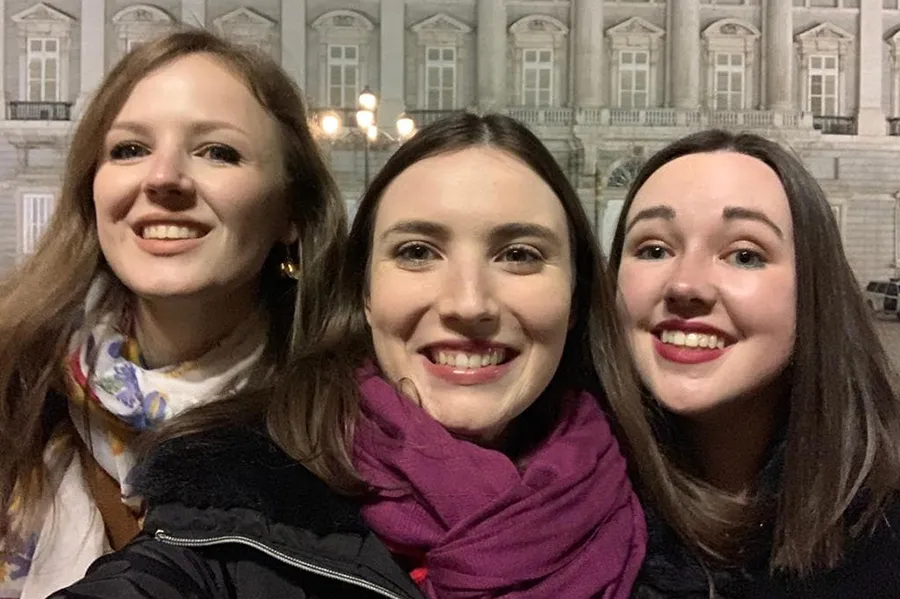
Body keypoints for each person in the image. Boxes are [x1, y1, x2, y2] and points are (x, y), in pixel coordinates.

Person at [52, 113, 647, 598]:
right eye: (417, 252)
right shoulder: (233, 501)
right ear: (364, 292)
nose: (469, 302)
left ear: (576, 295)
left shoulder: (659, 501)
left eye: (519, 255)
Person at [0, 29, 346, 598]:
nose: (162, 178)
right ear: (92, 190)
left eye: (218, 152)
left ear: (292, 210)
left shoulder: (345, 431)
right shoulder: (18, 386)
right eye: (129, 149)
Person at [607, 129, 900, 598]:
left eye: (744, 255)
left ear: (812, 288)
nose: (685, 285)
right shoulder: (563, 507)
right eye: (653, 250)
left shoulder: (883, 529)